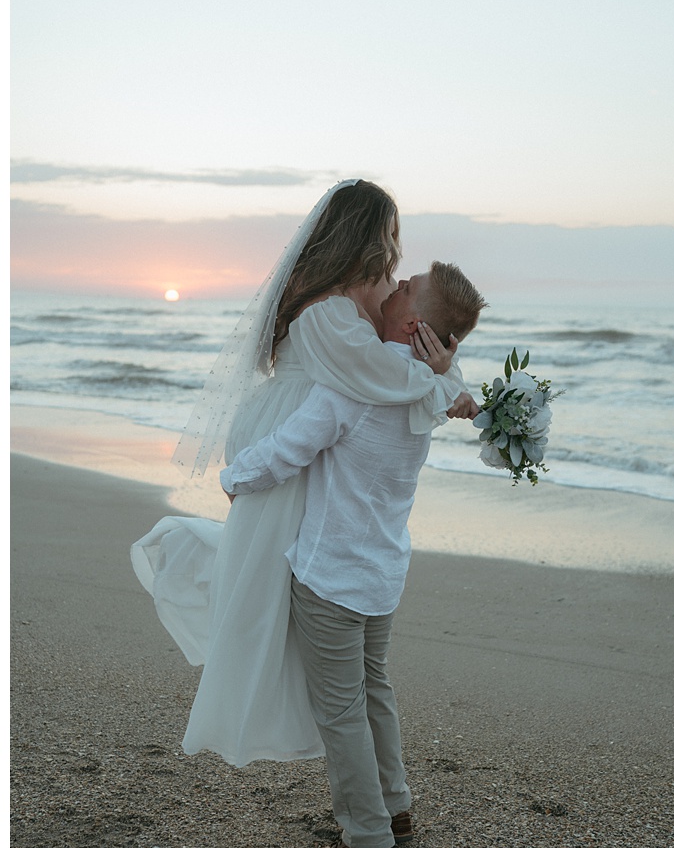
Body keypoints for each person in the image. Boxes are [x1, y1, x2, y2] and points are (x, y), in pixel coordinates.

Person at [132, 180, 477, 766]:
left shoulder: (351, 298)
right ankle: (316, 737)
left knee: (291, 587)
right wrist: (448, 382)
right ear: (365, 234)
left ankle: (351, 755)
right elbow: (383, 376)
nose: (397, 252)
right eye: (391, 233)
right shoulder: (329, 310)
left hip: (305, 432)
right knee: (277, 587)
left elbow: (400, 358)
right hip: (291, 431)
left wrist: (445, 370)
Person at [220, 262, 487, 848]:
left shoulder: (355, 388)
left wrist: (234, 479)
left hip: (330, 572)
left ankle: (366, 841)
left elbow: (290, 448)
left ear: (415, 323)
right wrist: (446, 370)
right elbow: (449, 389)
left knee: (340, 710)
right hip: (382, 569)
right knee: (374, 693)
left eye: (405, 286)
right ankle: (393, 808)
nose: (392, 284)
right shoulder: (425, 388)